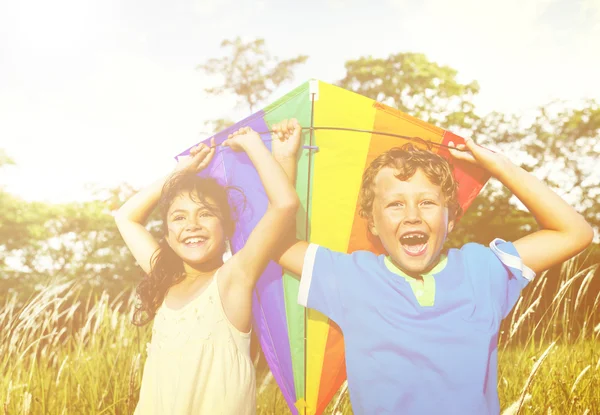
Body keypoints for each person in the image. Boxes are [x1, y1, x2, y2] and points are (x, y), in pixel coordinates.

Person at [271, 119, 594, 415]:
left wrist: (499, 166)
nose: (412, 215)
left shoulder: (482, 269)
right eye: (395, 204)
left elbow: (575, 233)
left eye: (427, 202)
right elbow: (278, 242)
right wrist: (285, 160)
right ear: (372, 222)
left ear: (451, 218)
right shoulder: (350, 277)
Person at [114, 124, 300, 415]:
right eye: (178, 217)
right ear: (166, 235)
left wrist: (254, 145)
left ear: (226, 227)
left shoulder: (233, 278)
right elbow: (126, 217)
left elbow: (285, 205)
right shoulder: (165, 280)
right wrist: (180, 173)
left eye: (205, 213)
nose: (191, 225)